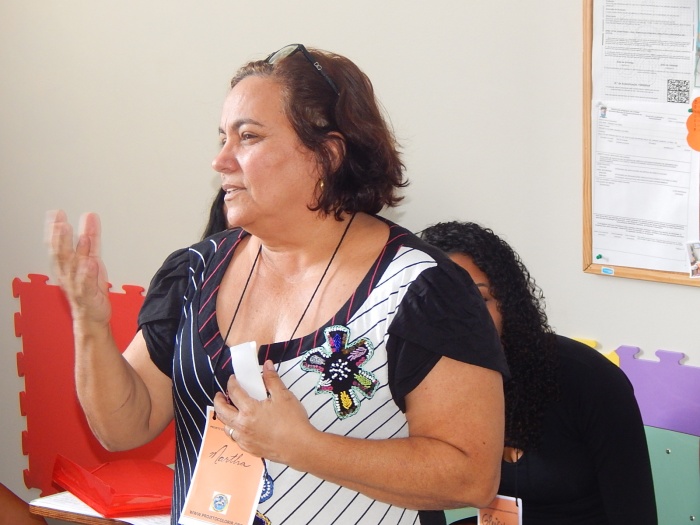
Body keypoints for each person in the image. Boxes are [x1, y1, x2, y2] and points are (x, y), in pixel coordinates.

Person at [47, 45, 509, 525]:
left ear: (327, 154)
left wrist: (303, 446)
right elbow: (123, 428)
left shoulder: (422, 289)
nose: (220, 160)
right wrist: (90, 325)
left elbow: (469, 477)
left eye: (248, 136)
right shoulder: (194, 272)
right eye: (222, 138)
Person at [421, 221, 658, 524]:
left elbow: (635, 512)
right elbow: (420, 496)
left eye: (479, 300)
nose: (462, 318)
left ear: (508, 302)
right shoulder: (426, 383)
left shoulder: (589, 378)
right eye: (441, 303)